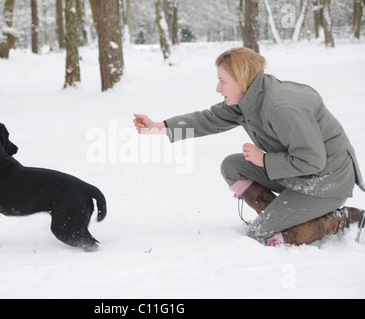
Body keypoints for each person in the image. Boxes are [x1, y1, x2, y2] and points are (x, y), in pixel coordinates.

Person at [133, 47, 365, 246]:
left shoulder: (280, 107)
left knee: (262, 235)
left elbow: (313, 160)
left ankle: (344, 218)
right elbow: (208, 119)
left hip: (326, 180)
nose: (217, 88)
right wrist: (158, 126)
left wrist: (264, 160)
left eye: (223, 81)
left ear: (242, 78)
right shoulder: (248, 99)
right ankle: (285, 214)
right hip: (297, 174)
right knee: (232, 167)